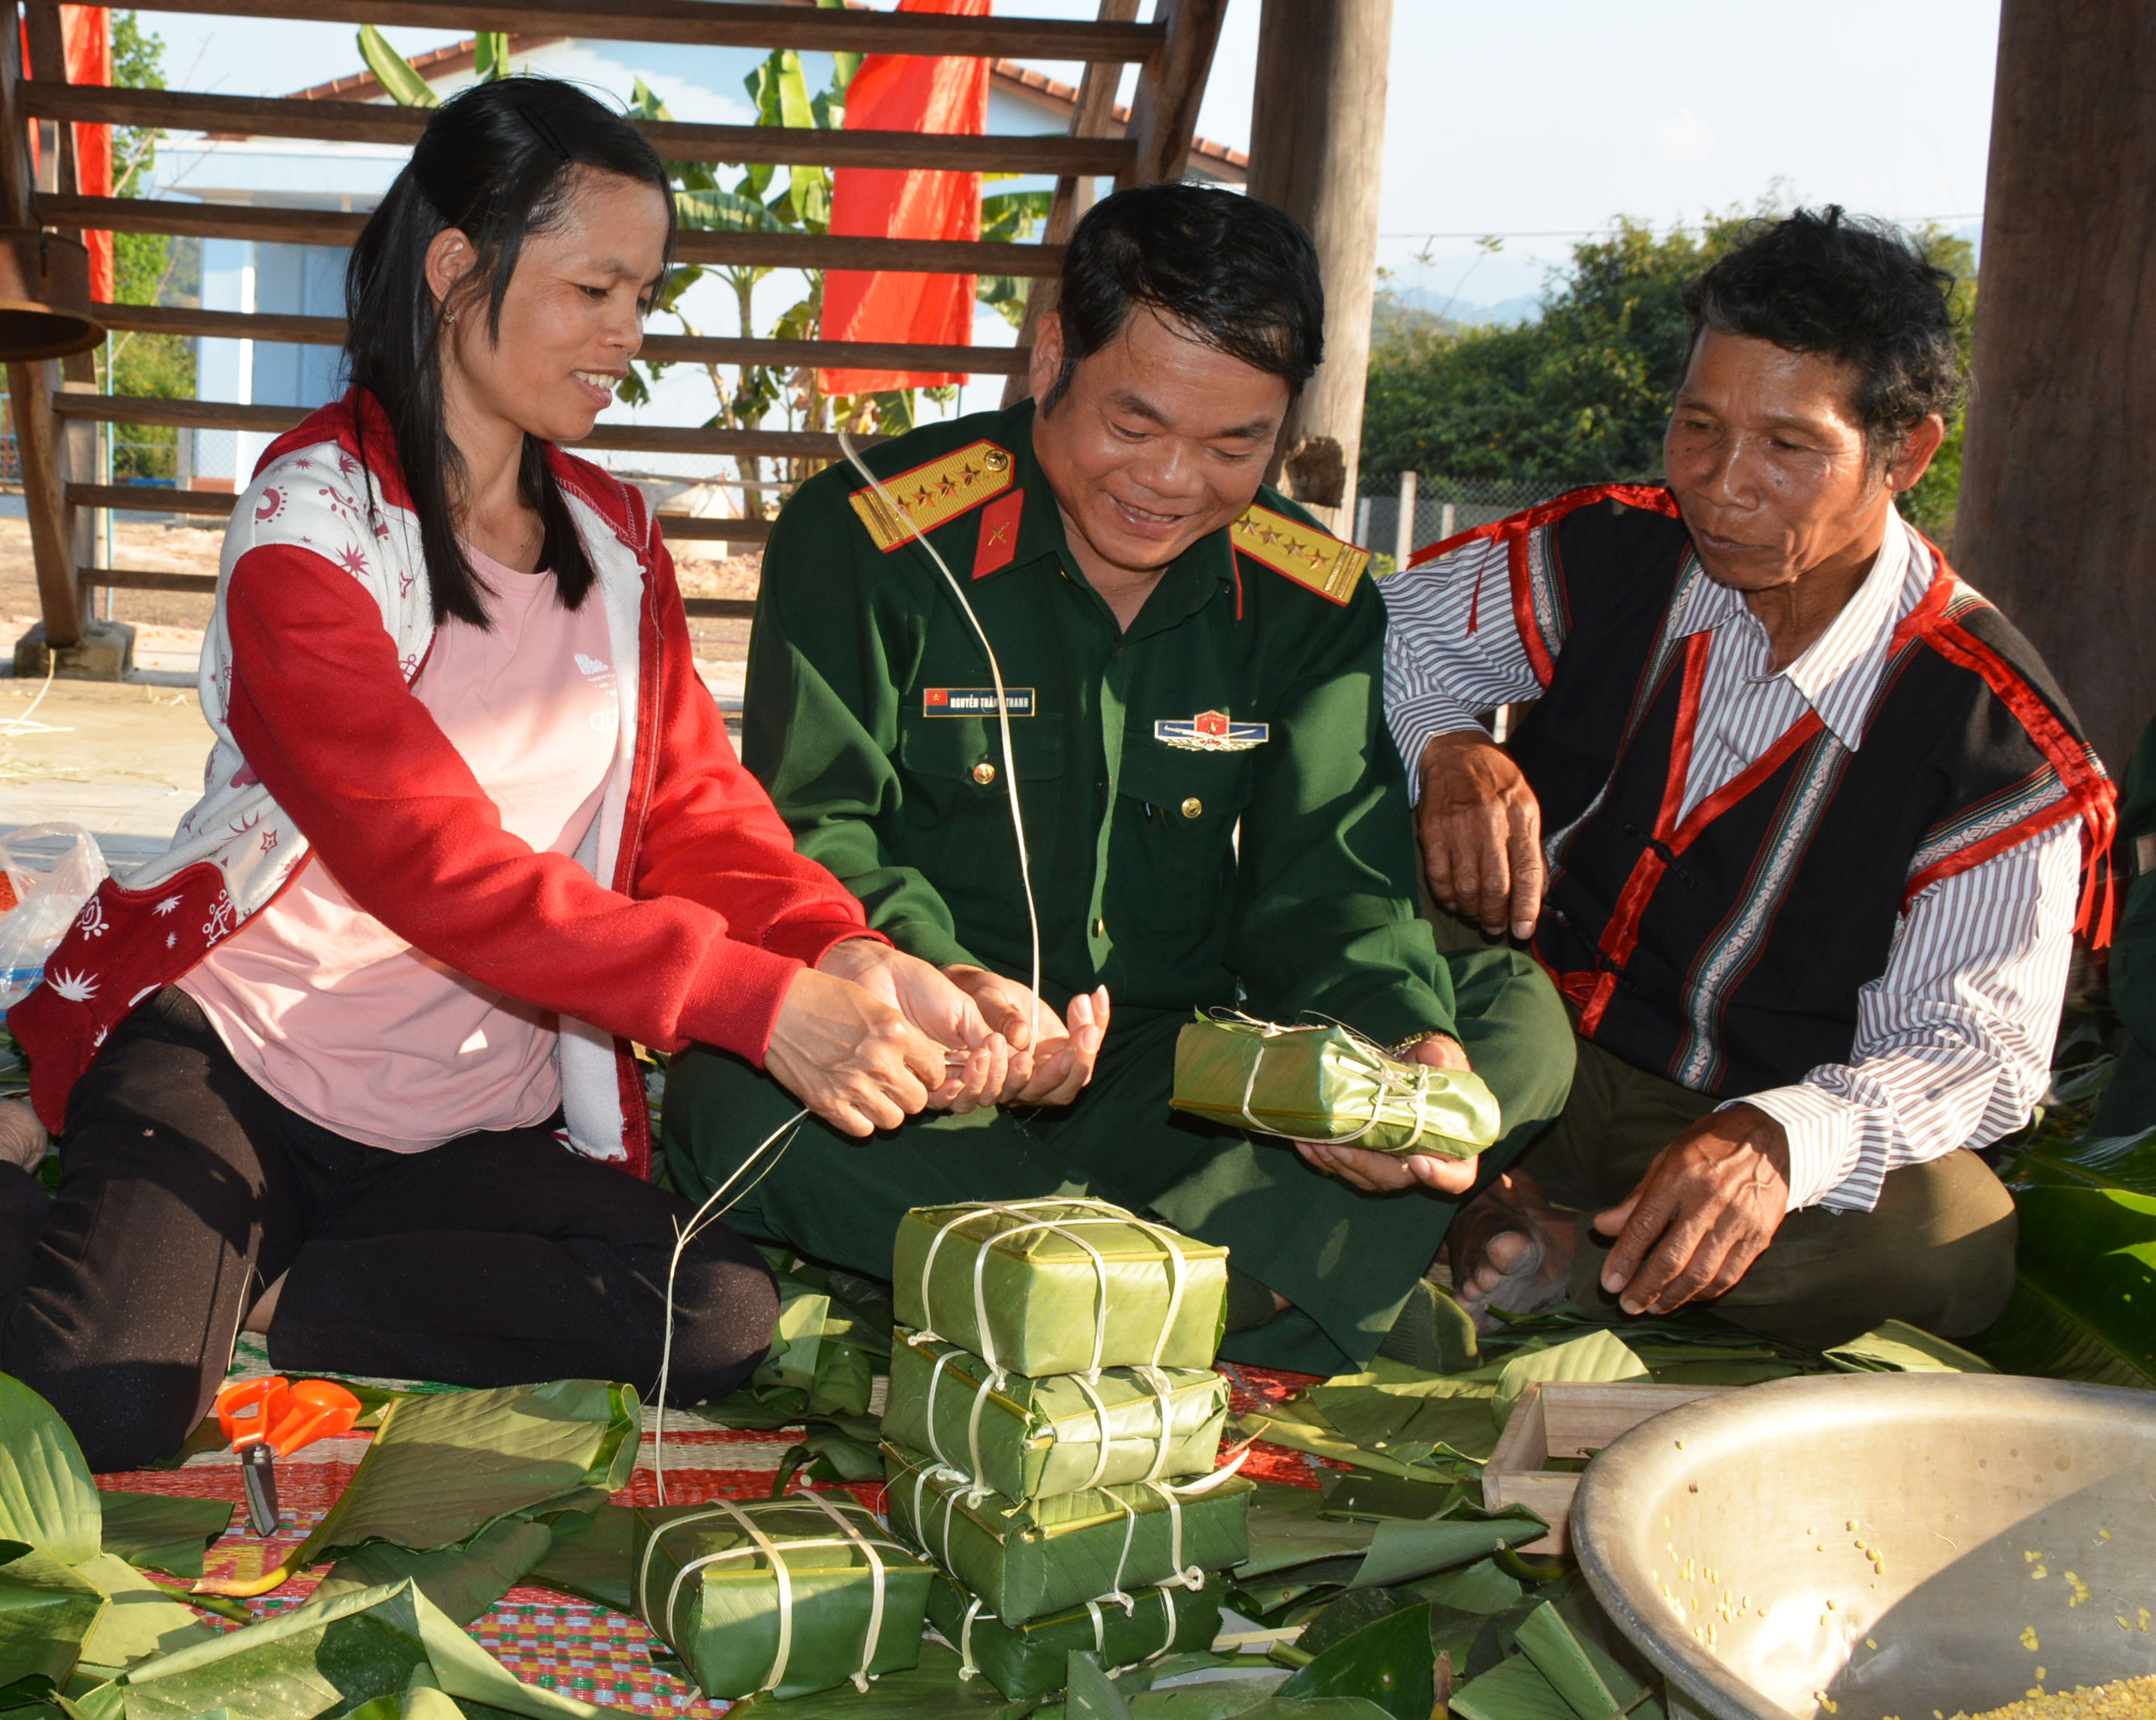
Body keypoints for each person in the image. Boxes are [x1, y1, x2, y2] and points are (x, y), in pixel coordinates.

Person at [0, 80, 1003, 1472]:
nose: (628, 338)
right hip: (245, 1062)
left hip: (466, 1112)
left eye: (644, 296)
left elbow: (696, 816)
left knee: (710, 1314)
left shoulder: (612, 537)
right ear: (457, 266)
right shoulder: (311, 520)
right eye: (595, 288)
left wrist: (846, 949)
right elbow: (427, 855)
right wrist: (743, 999)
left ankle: (273, 1283)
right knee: (109, 1410)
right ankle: (115, 1213)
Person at [662, 184, 1575, 1379]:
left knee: (1508, 1018)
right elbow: (813, 827)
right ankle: (1254, 1286)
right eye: (1132, 425)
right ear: (1053, 353)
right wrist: (943, 980)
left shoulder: (1311, 593)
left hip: (1186, 1077)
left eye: (1233, 443)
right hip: (938, 1064)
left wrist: (1400, 1044)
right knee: (727, 1096)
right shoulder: (872, 534)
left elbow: (1333, 881)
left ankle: (1044, 1289)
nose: (1171, 482)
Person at [1383, 207, 2115, 1348]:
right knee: (1361, 822)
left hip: (1722, 1119)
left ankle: (1547, 1248)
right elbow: (1380, 633)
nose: (1721, 486)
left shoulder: (1992, 739)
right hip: (1510, 1040)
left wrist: (1783, 1138)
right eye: (1696, 427)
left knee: (1940, 1241)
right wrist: (1445, 741)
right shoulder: (1609, 552)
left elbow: (1979, 1050)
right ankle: (1506, 1218)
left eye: (1787, 447)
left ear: (1904, 454)